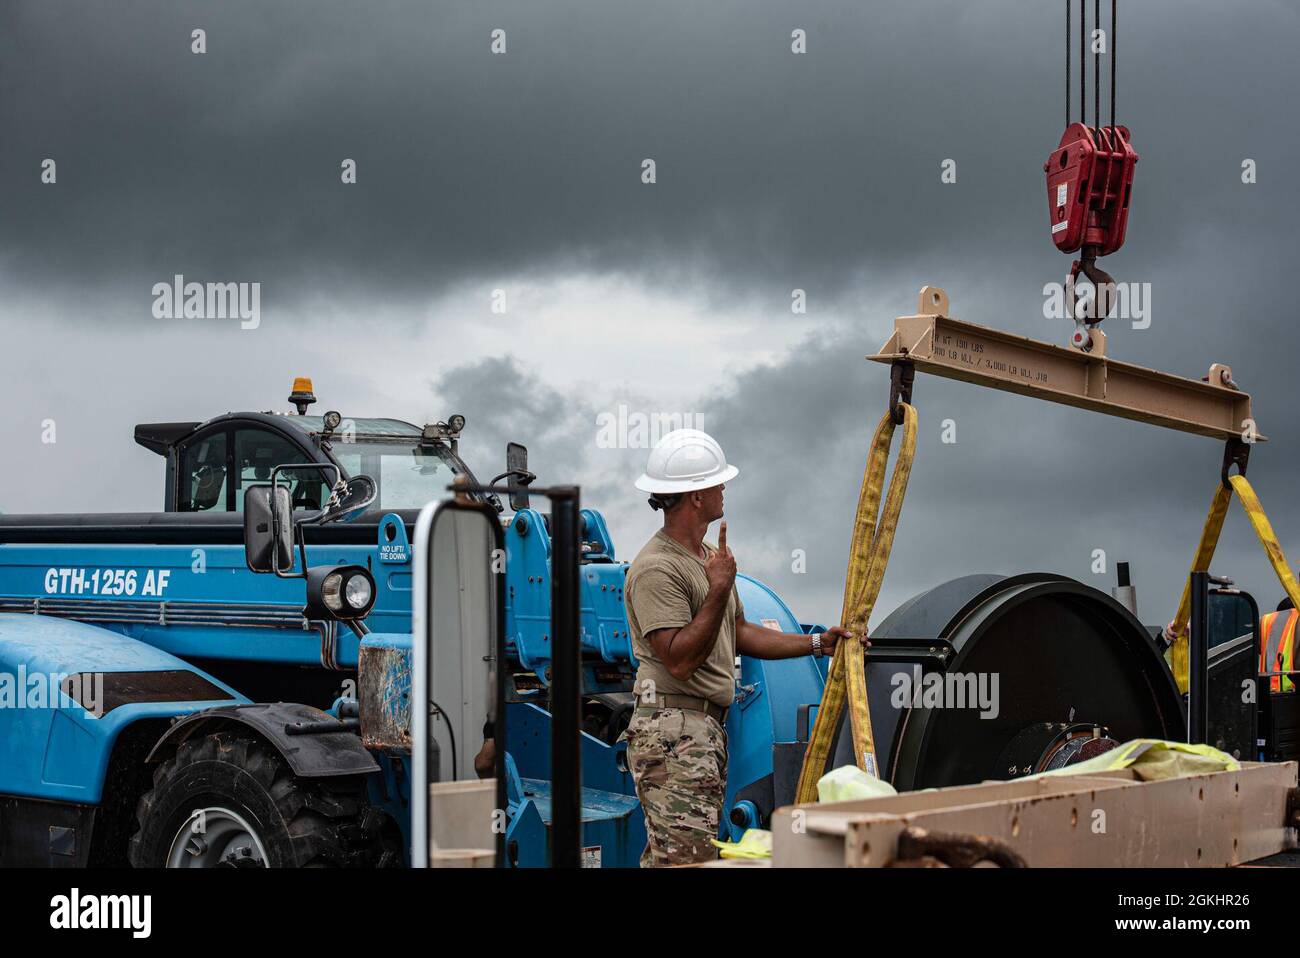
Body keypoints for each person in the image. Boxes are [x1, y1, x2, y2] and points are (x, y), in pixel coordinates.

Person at [622, 428, 863, 867]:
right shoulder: (657, 568)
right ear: (696, 496)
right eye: (718, 482)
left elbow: (740, 633)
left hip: (699, 731)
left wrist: (815, 644)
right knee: (686, 863)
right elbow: (678, 660)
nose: (724, 489)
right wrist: (718, 589)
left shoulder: (707, 556)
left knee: (680, 858)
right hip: (675, 730)